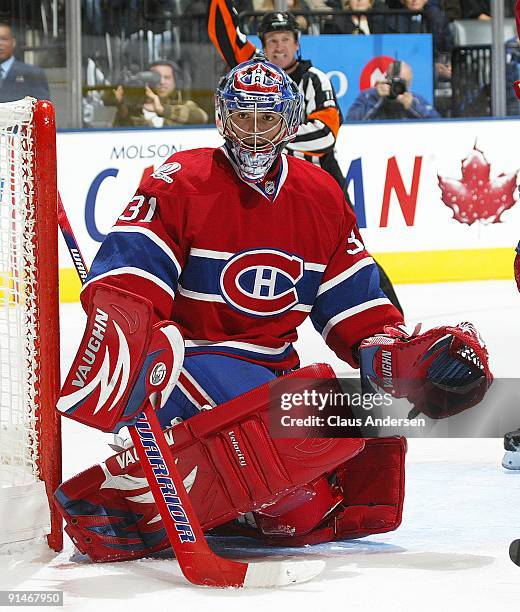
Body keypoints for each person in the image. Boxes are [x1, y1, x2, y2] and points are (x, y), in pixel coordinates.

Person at [54, 58, 491, 562]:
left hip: (272, 370)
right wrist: (134, 336)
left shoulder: (321, 193)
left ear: (290, 122)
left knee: (363, 448)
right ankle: (187, 491)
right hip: (186, 364)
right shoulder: (180, 181)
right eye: (245, 117)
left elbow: (354, 297)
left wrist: (386, 350)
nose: (256, 134)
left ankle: (221, 496)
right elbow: (130, 274)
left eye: (268, 119)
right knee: (296, 505)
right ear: (223, 119)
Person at [208, 2, 404, 313]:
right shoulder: (254, 74)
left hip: (319, 181)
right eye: (271, 40)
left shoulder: (315, 79)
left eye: (285, 39)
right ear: (262, 45)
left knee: (351, 254)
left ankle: (390, 321)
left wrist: (270, 136)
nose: (278, 46)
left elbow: (326, 134)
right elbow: (224, 34)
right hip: (267, 182)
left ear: (297, 44)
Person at [111, 60, 208, 128]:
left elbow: (201, 117)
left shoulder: (184, 105)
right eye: (155, 77)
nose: (161, 82)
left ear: (176, 81)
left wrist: (163, 110)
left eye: (167, 77)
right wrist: (121, 106)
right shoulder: (136, 108)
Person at [346, 60, 441, 120]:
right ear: (386, 78)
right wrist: (376, 98)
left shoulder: (416, 100)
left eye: (402, 84)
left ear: (410, 83)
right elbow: (350, 122)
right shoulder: (369, 96)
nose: (397, 88)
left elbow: (437, 124)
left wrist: (412, 106)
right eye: (394, 83)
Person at [0, 22, 50, 103]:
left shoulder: (33, 73)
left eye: (4, 39)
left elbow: (42, 109)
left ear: (13, 42)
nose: (0, 43)